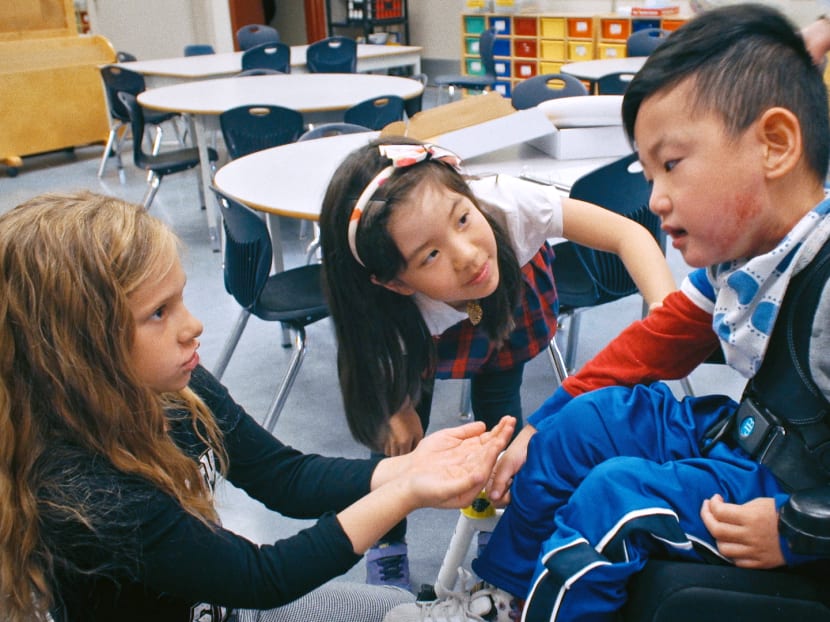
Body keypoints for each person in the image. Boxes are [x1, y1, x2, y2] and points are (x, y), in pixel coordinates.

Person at [383, 4, 830, 621]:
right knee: (587, 421)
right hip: (754, 441)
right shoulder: (747, 258)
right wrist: (541, 425)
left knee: (614, 497)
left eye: (670, 165)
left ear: (775, 145)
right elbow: (645, 348)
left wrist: (799, 526)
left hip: (796, 496)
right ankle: (505, 596)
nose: (654, 198)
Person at [0, 190, 518, 622]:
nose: (193, 326)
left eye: (180, 298)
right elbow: (259, 578)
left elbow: (283, 477)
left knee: (389, 605)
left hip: (217, 602)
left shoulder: (179, 390)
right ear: (76, 348)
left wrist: (404, 467)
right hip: (235, 591)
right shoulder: (89, 493)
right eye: (159, 312)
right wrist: (405, 491)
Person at [319, 137, 677, 589]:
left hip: (507, 308)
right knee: (398, 442)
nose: (467, 255)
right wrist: (395, 406)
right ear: (395, 282)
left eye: (464, 218)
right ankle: (387, 543)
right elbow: (372, 353)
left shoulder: (509, 206)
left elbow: (629, 234)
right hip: (419, 340)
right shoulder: (383, 306)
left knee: (502, 424)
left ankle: (495, 526)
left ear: (468, 193)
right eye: (430, 255)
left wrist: (669, 310)